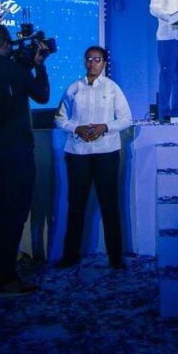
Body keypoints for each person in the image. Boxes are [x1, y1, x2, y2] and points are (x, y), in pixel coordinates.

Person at [0, 23, 50, 296]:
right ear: (5, 43)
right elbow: (42, 95)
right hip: (14, 152)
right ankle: (6, 277)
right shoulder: (16, 71)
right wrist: (39, 65)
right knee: (14, 214)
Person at [54, 46, 132, 269]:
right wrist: (76, 128)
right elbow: (59, 119)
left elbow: (126, 119)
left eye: (97, 60)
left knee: (109, 205)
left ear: (104, 63)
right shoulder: (73, 88)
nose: (92, 63)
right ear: (84, 62)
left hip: (106, 152)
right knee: (76, 205)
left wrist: (104, 127)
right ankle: (70, 256)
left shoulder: (112, 88)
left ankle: (115, 258)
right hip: (78, 153)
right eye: (88, 59)